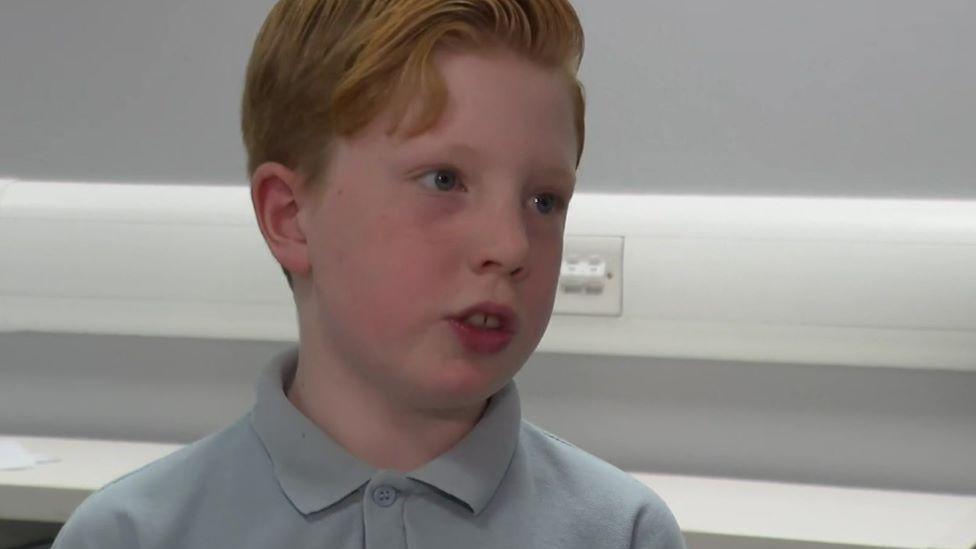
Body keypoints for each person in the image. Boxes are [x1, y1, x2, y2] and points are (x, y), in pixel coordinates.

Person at [52, 1, 686, 547]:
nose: (510, 244)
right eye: (444, 180)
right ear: (292, 216)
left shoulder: (623, 534)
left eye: (544, 200)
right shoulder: (131, 536)